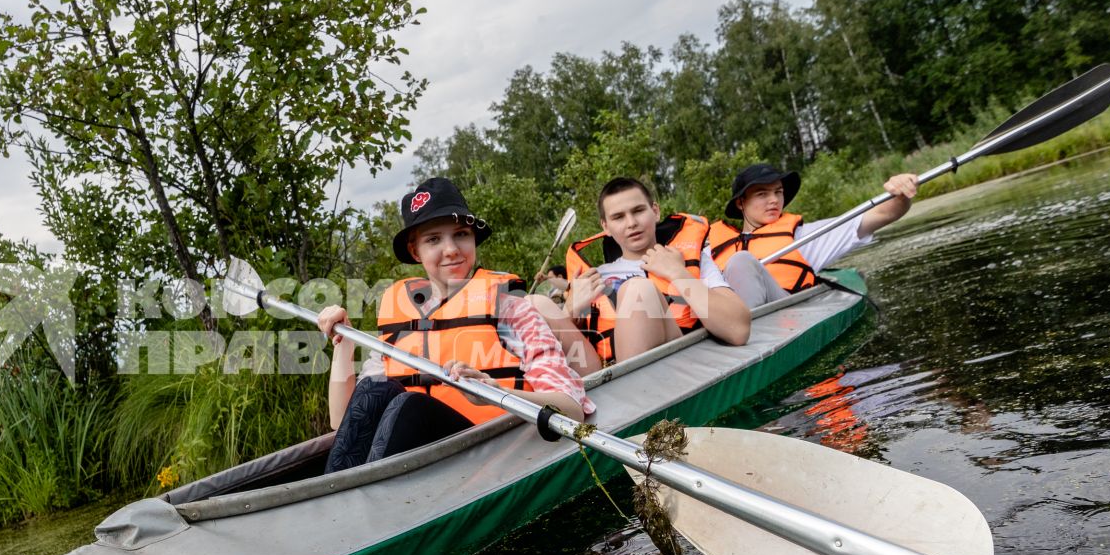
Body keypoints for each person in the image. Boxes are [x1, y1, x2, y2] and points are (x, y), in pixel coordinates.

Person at [317, 178, 592, 470]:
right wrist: (342, 339)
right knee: (376, 389)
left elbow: (572, 409)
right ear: (415, 251)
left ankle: (360, 505)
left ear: (473, 238)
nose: (451, 249)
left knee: (408, 404)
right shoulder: (400, 316)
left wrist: (494, 392)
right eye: (433, 239)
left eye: (460, 234)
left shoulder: (511, 309)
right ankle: (347, 502)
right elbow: (341, 420)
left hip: (494, 451)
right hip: (421, 461)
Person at [561, 177, 751, 366]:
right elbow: (568, 352)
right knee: (538, 305)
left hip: (678, 364)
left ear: (655, 211)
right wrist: (569, 310)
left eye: (638, 211)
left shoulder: (689, 260)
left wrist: (678, 273)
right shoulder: (592, 278)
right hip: (605, 374)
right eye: (618, 217)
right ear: (606, 227)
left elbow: (739, 330)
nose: (631, 223)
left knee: (637, 290)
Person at [707, 162, 919, 308]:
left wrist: (901, 194)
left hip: (780, 319)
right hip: (728, 323)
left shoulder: (805, 236)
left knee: (742, 261)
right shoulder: (711, 248)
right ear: (740, 202)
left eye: (778, 192)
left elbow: (884, 213)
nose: (774, 200)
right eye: (762, 194)